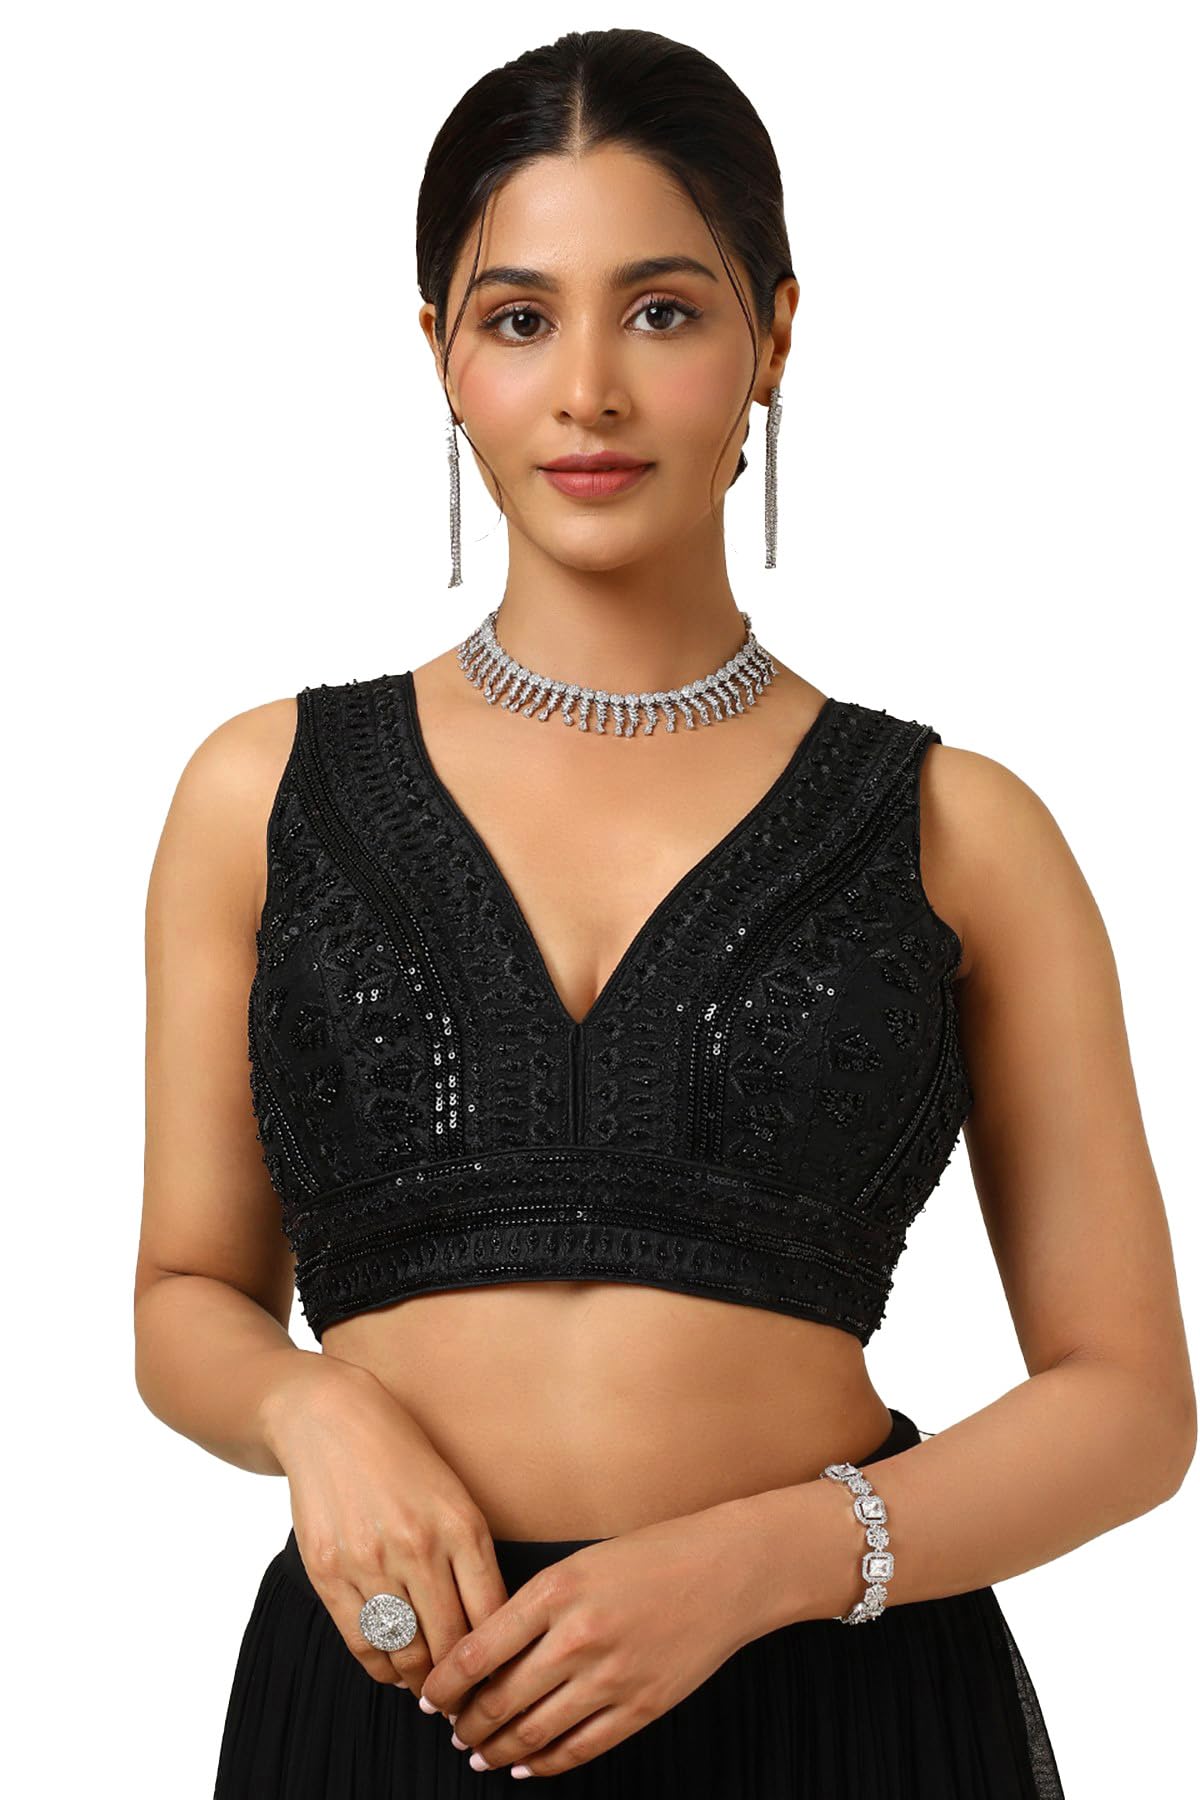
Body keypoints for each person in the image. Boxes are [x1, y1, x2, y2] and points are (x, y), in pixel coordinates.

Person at [135, 27, 1194, 1798]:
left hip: (828, 1707)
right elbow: (184, 1293)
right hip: (401, 1703)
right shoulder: (264, 791)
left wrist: (760, 1564)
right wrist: (312, 1411)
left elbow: (1131, 1407)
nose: (589, 394)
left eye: (662, 311)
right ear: (440, 354)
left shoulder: (961, 831)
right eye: (519, 318)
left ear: (774, 336)